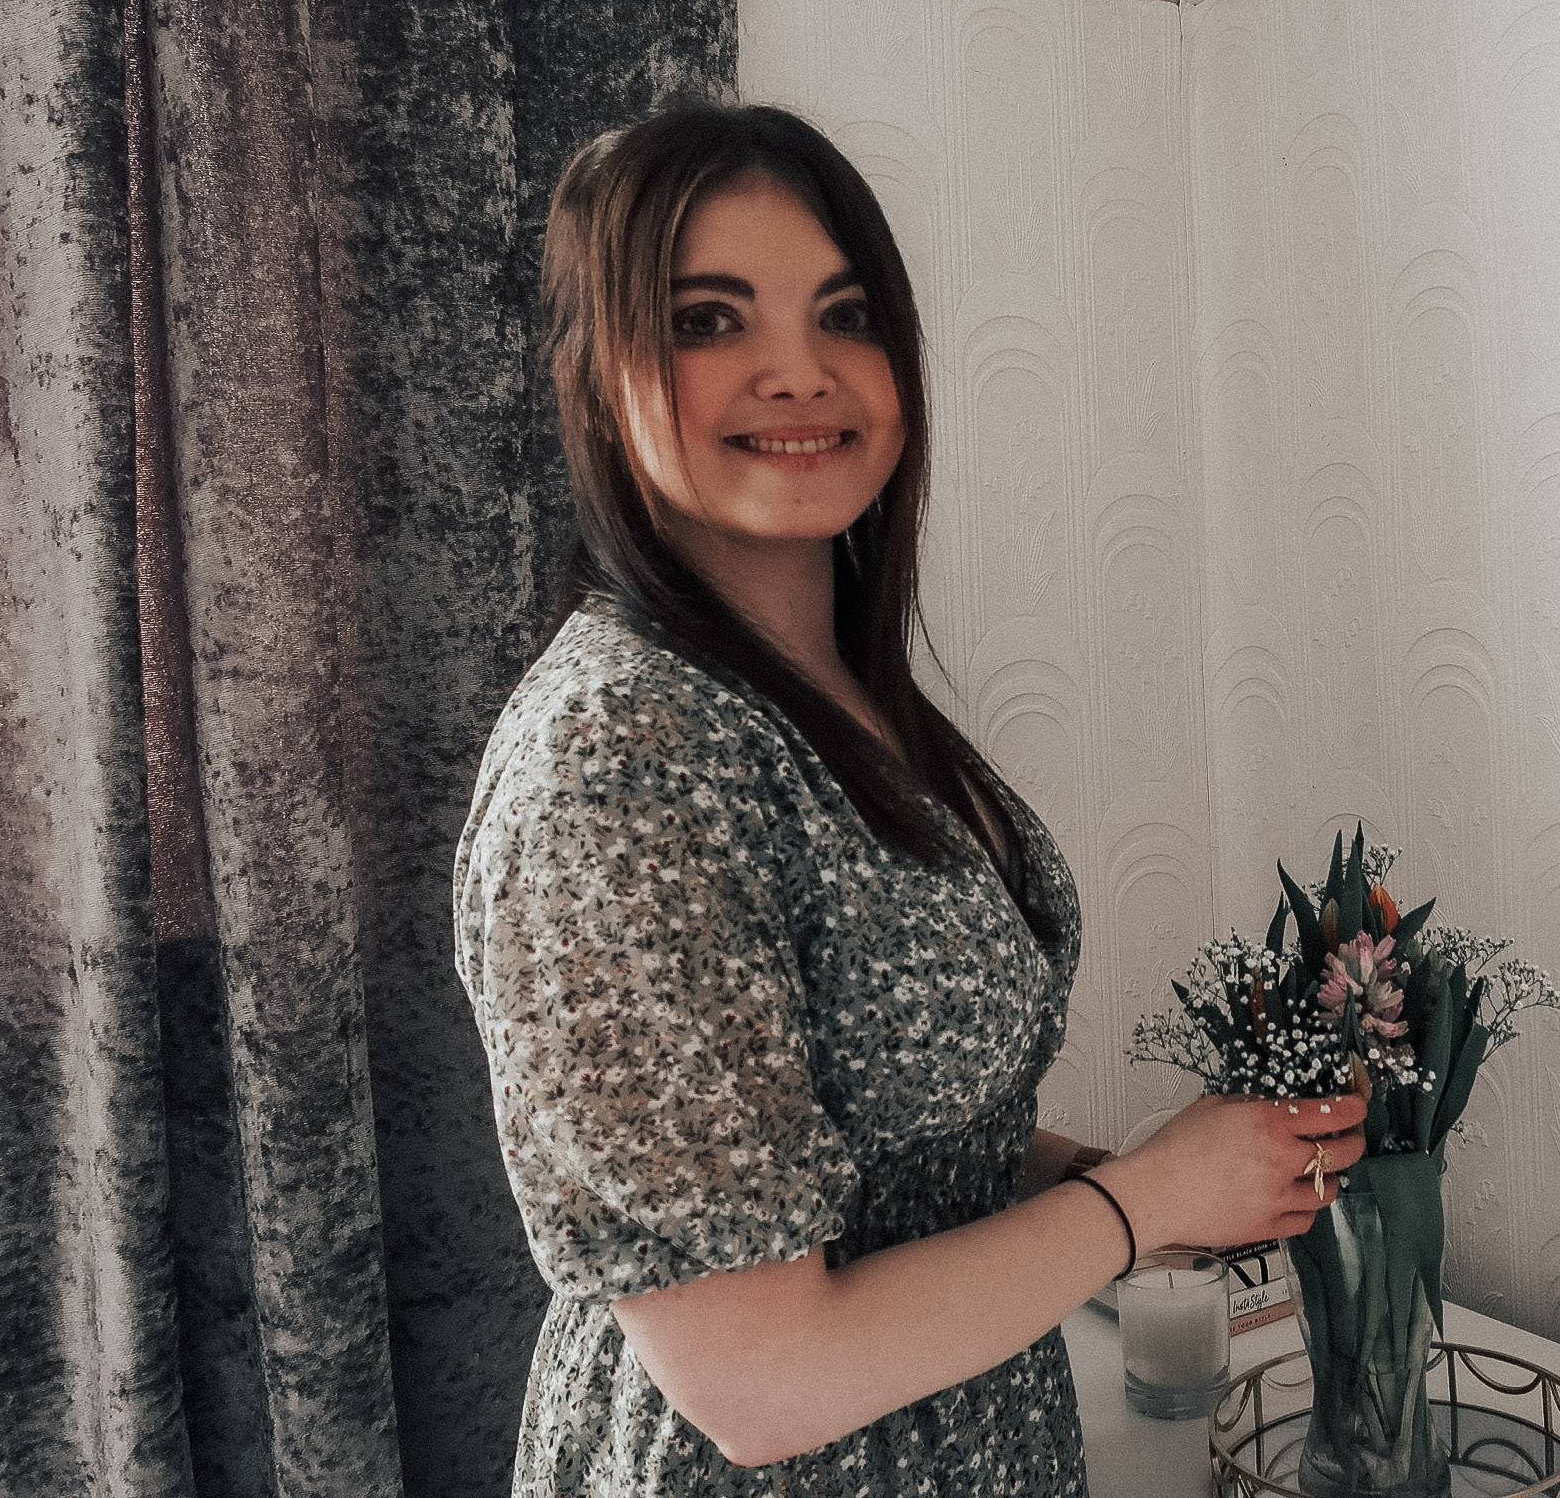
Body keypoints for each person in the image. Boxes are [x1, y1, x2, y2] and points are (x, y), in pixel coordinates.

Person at [450, 101, 1368, 1497]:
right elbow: (761, 1382)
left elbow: (883, 1140)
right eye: (709, 321)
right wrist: (1141, 1206)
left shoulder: (842, 698)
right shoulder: (620, 764)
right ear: (595, 382)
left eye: (846, 313)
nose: (798, 371)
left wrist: (1101, 1177)